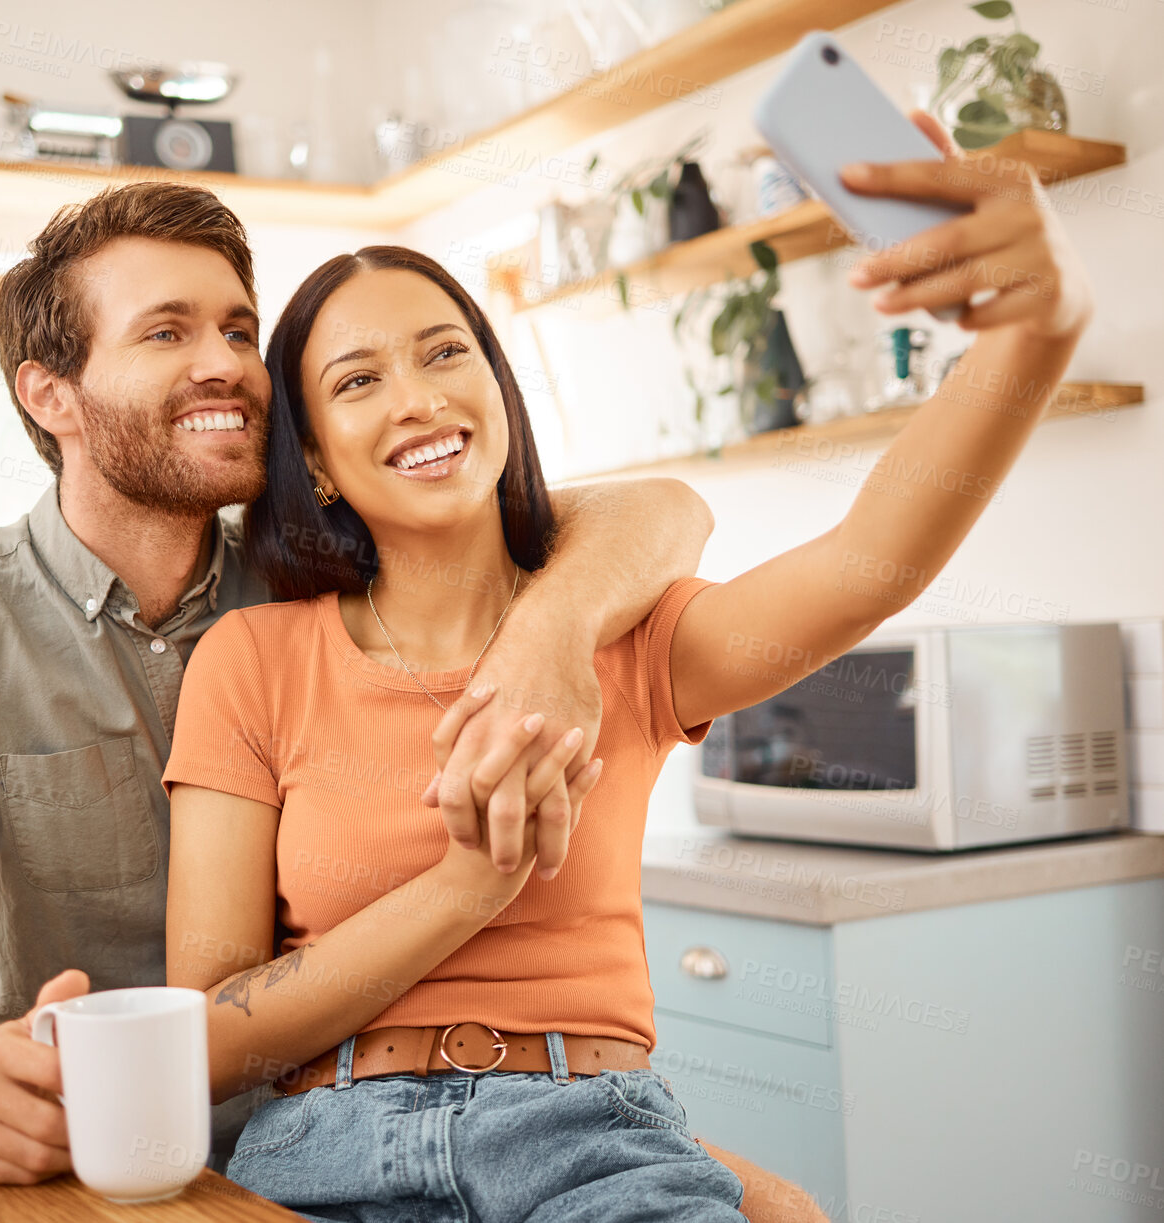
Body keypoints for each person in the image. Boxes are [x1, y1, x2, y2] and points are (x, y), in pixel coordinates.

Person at [162, 112, 1091, 1221]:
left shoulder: (632, 638)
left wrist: (1031, 334)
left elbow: (867, 563)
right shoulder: (252, 658)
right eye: (356, 381)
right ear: (311, 457)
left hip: (585, 1139)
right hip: (320, 1149)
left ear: (500, 391)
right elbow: (204, 1034)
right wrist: (467, 886)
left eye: (445, 350)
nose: (417, 396)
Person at [0, 180, 725, 1186]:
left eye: (237, 329)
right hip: (108, 1161)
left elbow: (650, 511)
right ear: (49, 393)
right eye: (166, 333)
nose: (227, 366)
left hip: (392, 1130)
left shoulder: (334, 567)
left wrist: (550, 625)